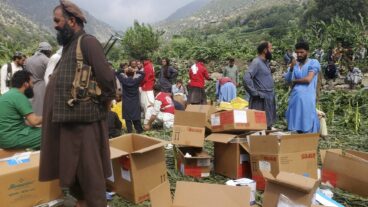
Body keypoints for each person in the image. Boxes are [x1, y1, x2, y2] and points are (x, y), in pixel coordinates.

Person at [39, 1, 116, 207]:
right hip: (70, 124)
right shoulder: (68, 47)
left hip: (85, 125)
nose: (54, 25)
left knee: (91, 176)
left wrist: (99, 104)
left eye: (57, 21)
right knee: (76, 174)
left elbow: (108, 81)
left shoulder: (88, 42)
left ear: (72, 21)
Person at [284, 41, 321, 133]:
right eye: (297, 53)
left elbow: (308, 79)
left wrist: (294, 81)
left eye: (301, 52)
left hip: (307, 98)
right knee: (294, 123)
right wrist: (291, 68)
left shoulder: (313, 62)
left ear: (307, 52)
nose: (299, 55)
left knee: (307, 121)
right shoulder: (295, 65)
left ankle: (307, 141)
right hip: (295, 97)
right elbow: (287, 81)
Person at [0, 70, 42, 150]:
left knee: (41, 129)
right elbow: (34, 121)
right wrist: (49, 116)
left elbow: (23, 121)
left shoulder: (6, 95)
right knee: (50, 132)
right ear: (25, 84)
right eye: (31, 83)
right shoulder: (19, 96)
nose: (33, 86)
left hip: (4, 138)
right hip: (11, 139)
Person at [243, 41, 277, 129]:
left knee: (267, 124)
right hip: (260, 99)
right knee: (259, 125)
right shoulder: (256, 62)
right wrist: (255, 93)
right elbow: (246, 78)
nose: (271, 51)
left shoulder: (265, 63)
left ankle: (265, 141)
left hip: (268, 98)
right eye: (270, 49)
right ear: (265, 50)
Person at [25, 42, 52, 116]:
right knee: (40, 107)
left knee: (31, 105)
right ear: (47, 50)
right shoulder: (46, 60)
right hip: (41, 86)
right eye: (50, 51)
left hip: (29, 86)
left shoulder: (28, 60)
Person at [118, 61, 145, 133]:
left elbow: (116, 73)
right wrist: (136, 70)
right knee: (136, 116)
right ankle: (139, 130)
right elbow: (143, 74)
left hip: (126, 101)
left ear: (125, 74)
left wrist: (124, 70)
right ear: (134, 74)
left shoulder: (124, 80)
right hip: (135, 101)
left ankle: (129, 130)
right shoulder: (136, 80)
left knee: (127, 116)